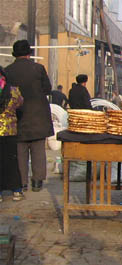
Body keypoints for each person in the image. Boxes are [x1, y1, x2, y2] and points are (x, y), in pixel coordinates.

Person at [5, 39, 54, 192]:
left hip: (17, 116)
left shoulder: (7, 71)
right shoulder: (38, 68)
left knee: (20, 151)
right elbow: (47, 89)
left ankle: (22, 182)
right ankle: (37, 181)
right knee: (38, 149)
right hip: (38, 115)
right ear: (29, 53)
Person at [0, 67, 24, 201]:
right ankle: (16, 191)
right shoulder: (13, 91)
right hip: (10, 130)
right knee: (12, 161)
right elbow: (20, 104)